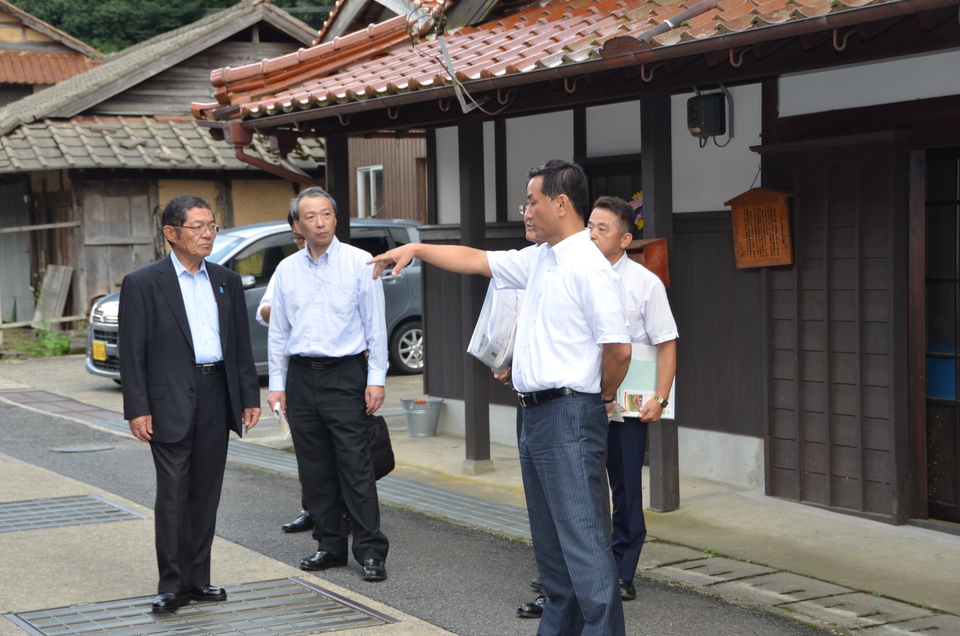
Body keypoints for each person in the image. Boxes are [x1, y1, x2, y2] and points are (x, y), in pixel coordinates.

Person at [370, 160, 632, 635]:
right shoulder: (541, 258)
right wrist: (416, 247)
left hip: (572, 413)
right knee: (552, 557)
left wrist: (602, 396)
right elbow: (475, 260)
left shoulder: (589, 267)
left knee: (586, 550)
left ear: (561, 203)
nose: (526, 210)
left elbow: (618, 348)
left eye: (532, 200)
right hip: (535, 415)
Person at [118, 195, 261, 613]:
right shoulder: (144, 282)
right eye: (198, 226)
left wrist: (247, 397)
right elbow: (133, 353)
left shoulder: (226, 281)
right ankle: (172, 584)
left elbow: (239, 347)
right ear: (171, 232)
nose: (207, 234)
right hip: (168, 402)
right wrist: (137, 408)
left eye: (211, 226)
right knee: (174, 494)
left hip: (218, 393)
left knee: (206, 494)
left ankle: (200, 579)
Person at [267, 186, 390, 582]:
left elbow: (376, 326)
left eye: (326, 215)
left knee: (355, 466)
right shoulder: (287, 270)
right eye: (310, 217)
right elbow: (278, 334)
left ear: (335, 219)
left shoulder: (360, 262)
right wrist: (277, 384)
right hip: (302, 376)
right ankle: (329, 545)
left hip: (346, 374)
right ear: (298, 225)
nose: (319, 222)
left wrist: (376, 379)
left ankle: (371, 550)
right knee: (314, 467)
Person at [587, 196, 678, 602]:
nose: (591, 234)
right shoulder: (578, 275)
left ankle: (623, 568)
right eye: (589, 226)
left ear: (625, 239)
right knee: (582, 485)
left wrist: (660, 396)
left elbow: (667, 343)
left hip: (627, 403)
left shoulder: (645, 283)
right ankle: (587, 565)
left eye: (601, 228)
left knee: (624, 485)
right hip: (582, 396)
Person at [252, 212, 314, 534]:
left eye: (305, 236)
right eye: (297, 237)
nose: (302, 244)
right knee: (305, 444)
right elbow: (264, 313)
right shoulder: (287, 269)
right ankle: (312, 508)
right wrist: (289, 306)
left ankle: (345, 511)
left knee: (346, 450)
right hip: (297, 369)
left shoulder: (351, 263)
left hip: (342, 370)